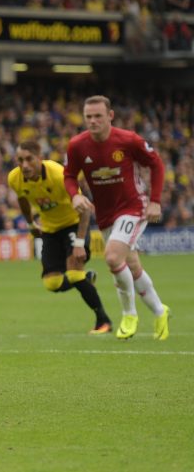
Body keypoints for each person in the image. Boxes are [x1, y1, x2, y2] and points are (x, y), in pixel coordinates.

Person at [64, 95, 169, 340]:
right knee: (131, 265)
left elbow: (157, 164)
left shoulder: (128, 140)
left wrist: (155, 200)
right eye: (88, 116)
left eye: (98, 116)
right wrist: (74, 196)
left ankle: (129, 314)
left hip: (133, 206)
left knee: (112, 257)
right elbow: (69, 175)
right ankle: (160, 310)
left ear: (110, 116)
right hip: (106, 213)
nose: (93, 121)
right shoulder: (77, 145)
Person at [9, 141, 112, 334]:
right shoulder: (15, 178)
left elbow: (85, 210)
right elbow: (22, 199)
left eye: (29, 159)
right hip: (49, 229)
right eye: (20, 160)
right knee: (52, 283)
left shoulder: (59, 175)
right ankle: (86, 279)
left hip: (73, 224)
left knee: (73, 274)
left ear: (40, 158)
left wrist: (80, 243)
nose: (24, 165)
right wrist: (31, 223)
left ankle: (103, 321)